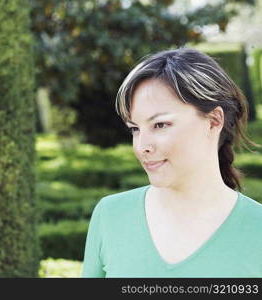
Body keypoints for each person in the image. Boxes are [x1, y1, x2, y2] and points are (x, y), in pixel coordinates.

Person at [81, 46, 262, 278]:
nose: (142, 146)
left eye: (160, 125)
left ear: (214, 121)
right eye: (135, 129)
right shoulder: (109, 216)